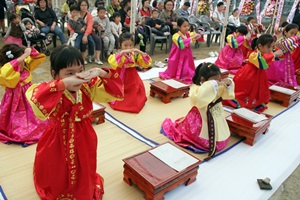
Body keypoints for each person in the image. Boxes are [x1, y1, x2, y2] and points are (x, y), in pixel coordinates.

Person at [25, 45, 124, 200]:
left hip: (84, 136)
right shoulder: (52, 90)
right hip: (57, 139)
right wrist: (62, 84)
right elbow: (36, 99)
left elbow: (114, 91)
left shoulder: (87, 87)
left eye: (80, 70)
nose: (77, 76)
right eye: (70, 73)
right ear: (55, 74)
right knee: (57, 168)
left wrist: (101, 72)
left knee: (84, 164)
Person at [160, 62, 234, 159]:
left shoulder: (216, 87)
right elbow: (199, 99)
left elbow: (225, 93)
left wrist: (228, 83)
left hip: (216, 117)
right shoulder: (196, 89)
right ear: (203, 80)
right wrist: (213, 84)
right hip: (201, 120)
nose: (217, 82)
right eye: (213, 81)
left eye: (218, 79)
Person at [0, 44, 48, 146]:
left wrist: (30, 51)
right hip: (14, 101)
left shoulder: (25, 67)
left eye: (23, 60)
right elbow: (4, 73)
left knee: (35, 119)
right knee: (14, 120)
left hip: (28, 97)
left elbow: (38, 57)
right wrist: (21, 57)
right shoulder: (6, 71)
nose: (22, 63)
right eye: (19, 61)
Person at [226, 34, 283, 112]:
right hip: (248, 75)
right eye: (269, 47)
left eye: (272, 47)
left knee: (260, 90)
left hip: (259, 75)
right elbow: (262, 62)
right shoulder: (254, 54)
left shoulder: (263, 54)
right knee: (244, 91)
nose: (270, 50)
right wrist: (274, 54)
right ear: (260, 46)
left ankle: (256, 102)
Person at [108, 32, 152, 113]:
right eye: (125, 45)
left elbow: (145, 64)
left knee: (135, 93)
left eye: (131, 45)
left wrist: (141, 53)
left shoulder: (134, 54)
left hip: (132, 77)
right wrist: (121, 53)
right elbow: (112, 62)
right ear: (119, 44)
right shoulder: (118, 54)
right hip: (120, 77)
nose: (128, 47)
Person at [159, 18, 201, 84]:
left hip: (187, 54)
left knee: (186, 67)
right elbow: (181, 44)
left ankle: (185, 75)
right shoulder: (175, 36)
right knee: (175, 68)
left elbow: (195, 36)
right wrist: (192, 38)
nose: (187, 28)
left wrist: (197, 36)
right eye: (184, 26)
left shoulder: (188, 34)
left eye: (188, 26)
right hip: (177, 55)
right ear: (179, 27)